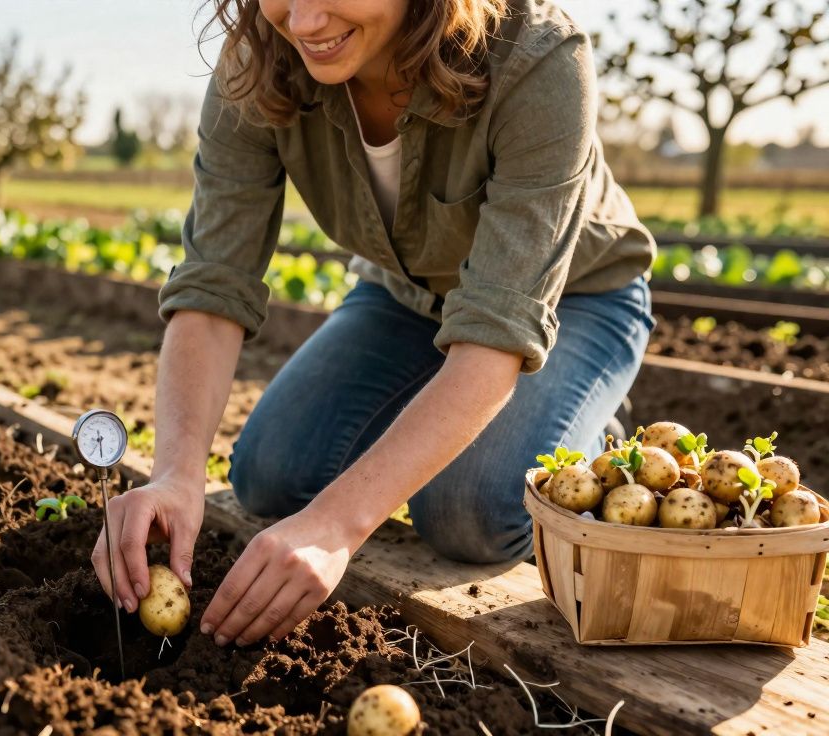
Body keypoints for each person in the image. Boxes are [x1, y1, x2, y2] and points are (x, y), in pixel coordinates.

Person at [92, 0, 655, 649]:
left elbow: (496, 334)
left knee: (468, 512)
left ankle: (587, 427)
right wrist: (175, 474)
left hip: (572, 300)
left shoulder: (538, 58)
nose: (303, 23)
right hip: (405, 298)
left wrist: (336, 526)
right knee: (270, 475)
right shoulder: (260, 61)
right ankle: (458, 418)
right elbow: (214, 282)